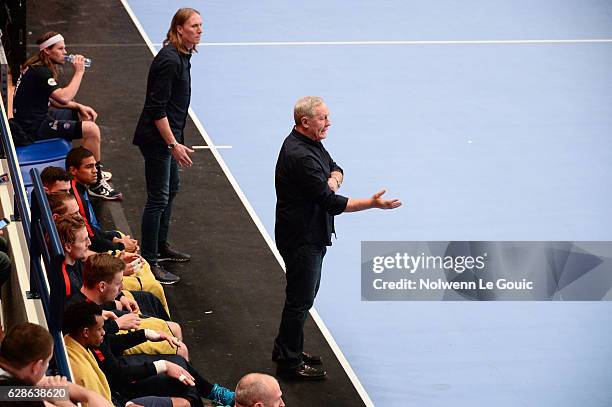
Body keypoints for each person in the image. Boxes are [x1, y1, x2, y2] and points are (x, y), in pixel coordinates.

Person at [272, 96, 401, 379]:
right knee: (300, 300)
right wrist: (372, 203)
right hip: (301, 238)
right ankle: (289, 364)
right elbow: (330, 202)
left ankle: (288, 347)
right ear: (305, 122)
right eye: (323, 118)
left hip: (309, 233)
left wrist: (332, 180)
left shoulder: (309, 142)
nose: (329, 123)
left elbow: (336, 167)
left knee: (303, 296)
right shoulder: (302, 156)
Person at [10, 31, 119, 200]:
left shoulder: (34, 67)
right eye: (61, 49)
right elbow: (63, 97)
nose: (65, 52)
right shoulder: (41, 72)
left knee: (82, 114)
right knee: (92, 130)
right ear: (47, 51)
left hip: (32, 118)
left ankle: (91, 169)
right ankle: (95, 185)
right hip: (33, 128)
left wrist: (78, 106)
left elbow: (52, 99)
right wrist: (79, 72)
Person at [133, 8, 200, 278]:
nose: (199, 30)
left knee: (171, 189)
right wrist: (173, 144)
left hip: (169, 137)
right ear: (179, 28)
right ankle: (149, 260)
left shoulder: (182, 56)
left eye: (200, 26)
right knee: (158, 197)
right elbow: (156, 109)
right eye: (194, 26)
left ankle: (160, 245)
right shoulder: (170, 61)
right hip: (157, 140)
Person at [63, 301, 235, 406]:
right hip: (120, 395)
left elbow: (110, 344)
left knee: (178, 362)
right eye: (100, 329)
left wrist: (146, 334)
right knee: (184, 398)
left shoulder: (83, 345)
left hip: (117, 394)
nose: (104, 332)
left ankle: (213, 392)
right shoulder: (50, 383)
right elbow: (114, 378)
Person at [0, 322, 112, 407]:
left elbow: (43, 385)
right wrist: (63, 402)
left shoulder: (13, 375)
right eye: (47, 362)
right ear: (37, 366)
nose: (47, 367)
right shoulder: (10, 395)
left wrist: (90, 395)